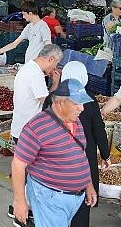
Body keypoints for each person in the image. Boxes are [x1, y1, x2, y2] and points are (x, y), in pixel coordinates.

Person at [12, 79, 98, 227]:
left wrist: (88, 184)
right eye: (76, 103)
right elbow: (18, 165)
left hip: (75, 196)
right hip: (50, 197)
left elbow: (81, 154)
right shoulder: (37, 127)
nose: (82, 108)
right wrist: (20, 202)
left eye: (82, 103)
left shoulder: (75, 122)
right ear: (59, 103)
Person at [43, 62, 111, 227]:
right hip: (83, 158)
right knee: (81, 205)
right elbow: (99, 130)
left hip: (56, 159)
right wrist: (105, 155)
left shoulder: (51, 98)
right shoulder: (89, 99)